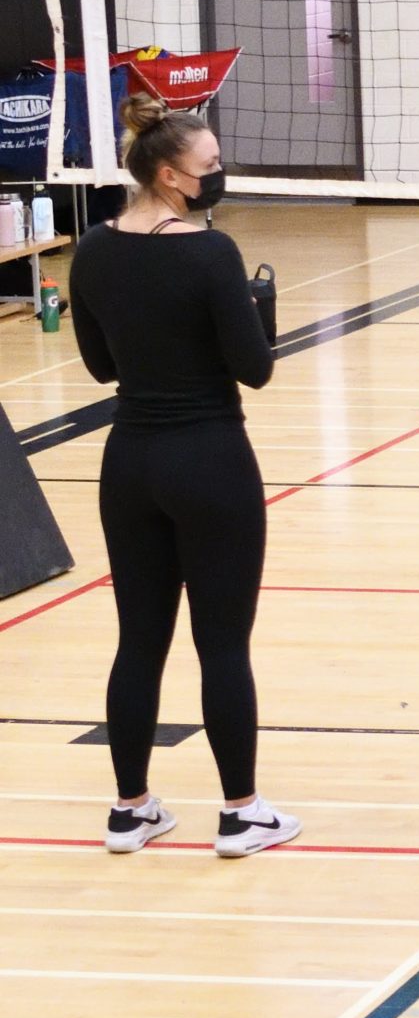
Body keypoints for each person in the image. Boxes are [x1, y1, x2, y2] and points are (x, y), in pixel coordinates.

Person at [76, 93, 297, 858]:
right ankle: (241, 813)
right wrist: (248, 312)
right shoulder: (210, 251)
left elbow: (101, 365)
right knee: (222, 645)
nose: (219, 174)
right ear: (171, 176)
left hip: (129, 460)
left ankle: (130, 809)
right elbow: (256, 371)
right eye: (210, 167)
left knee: (138, 641)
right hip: (209, 458)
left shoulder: (92, 249)